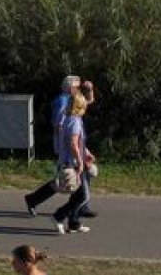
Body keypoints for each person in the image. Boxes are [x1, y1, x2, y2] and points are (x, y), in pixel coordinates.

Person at [23, 76, 96, 218]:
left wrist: (90, 89)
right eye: (77, 86)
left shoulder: (73, 98)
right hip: (68, 146)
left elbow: (88, 102)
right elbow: (59, 125)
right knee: (71, 178)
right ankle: (78, 208)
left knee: (70, 178)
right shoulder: (63, 101)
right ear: (70, 87)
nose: (79, 88)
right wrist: (70, 145)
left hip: (75, 144)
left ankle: (36, 199)